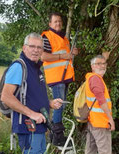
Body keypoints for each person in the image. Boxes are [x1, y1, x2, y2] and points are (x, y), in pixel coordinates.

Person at [0, 33, 64, 154]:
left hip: (39, 127)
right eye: (32, 46)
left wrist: (50, 103)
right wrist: (32, 114)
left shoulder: (36, 68)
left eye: (39, 47)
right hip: (28, 127)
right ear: (24, 48)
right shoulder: (19, 67)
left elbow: (31, 96)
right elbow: (6, 97)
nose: (36, 50)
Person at [41, 12, 79, 146]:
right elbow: (43, 56)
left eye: (59, 22)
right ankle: (58, 137)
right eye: (55, 21)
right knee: (58, 106)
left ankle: (53, 135)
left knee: (60, 106)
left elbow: (67, 56)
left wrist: (72, 53)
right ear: (50, 24)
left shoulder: (64, 38)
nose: (58, 24)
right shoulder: (47, 36)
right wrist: (63, 56)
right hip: (56, 77)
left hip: (65, 77)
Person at [83, 55, 115, 154]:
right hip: (100, 122)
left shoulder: (90, 78)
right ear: (92, 66)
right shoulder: (96, 79)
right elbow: (101, 100)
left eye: (104, 63)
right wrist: (110, 118)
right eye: (99, 63)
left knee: (90, 149)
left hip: (92, 121)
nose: (102, 66)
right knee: (105, 153)